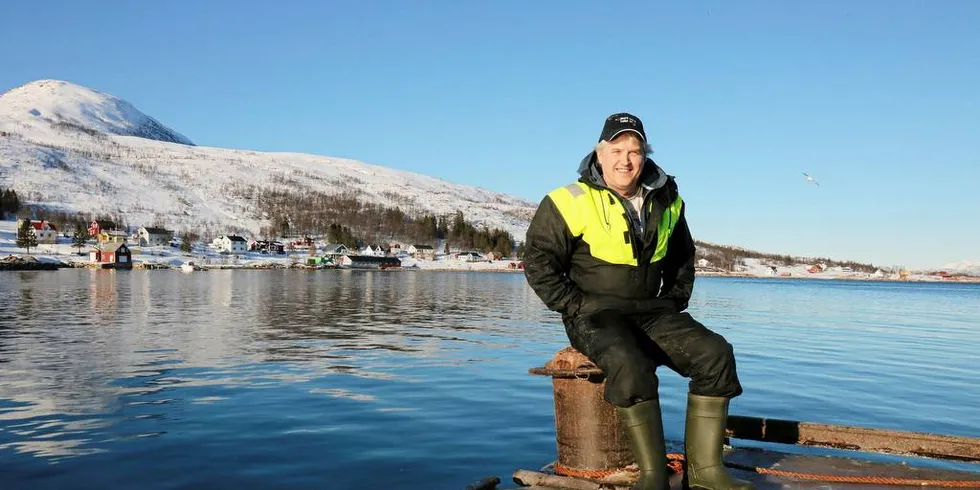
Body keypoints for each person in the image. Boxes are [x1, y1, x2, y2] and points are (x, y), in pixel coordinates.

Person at [522, 113, 753, 490]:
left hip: (652, 312)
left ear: (644, 155)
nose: (625, 160)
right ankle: (652, 475)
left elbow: (682, 255)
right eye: (617, 149)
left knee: (715, 355)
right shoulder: (568, 200)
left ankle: (706, 473)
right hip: (595, 315)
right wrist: (575, 305)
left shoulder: (668, 199)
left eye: (635, 150)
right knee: (630, 366)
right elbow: (538, 261)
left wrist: (676, 298)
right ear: (600, 152)